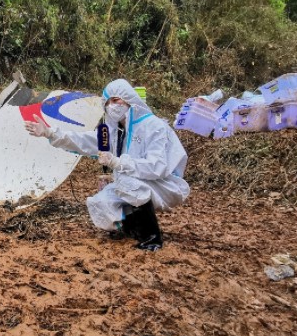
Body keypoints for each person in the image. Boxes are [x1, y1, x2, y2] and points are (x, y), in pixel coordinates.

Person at [24, 79, 190, 251]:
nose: (112, 106)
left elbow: (157, 167)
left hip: (165, 184)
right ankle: (132, 229)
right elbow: (84, 140)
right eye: (108, 102)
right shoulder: (113, 131)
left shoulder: (154, 126)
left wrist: (117, 162)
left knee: (127, 182)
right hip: (135, 181)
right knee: (100, 203)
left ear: (129, 98)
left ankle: (152, 237)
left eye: (116, 100)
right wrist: (49, 132)